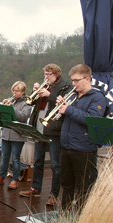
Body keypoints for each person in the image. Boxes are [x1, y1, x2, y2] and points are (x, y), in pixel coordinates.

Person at [19, 64, 73, 206]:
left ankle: (54, 194)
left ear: (56, 74)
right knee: (37, 161)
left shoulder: (64, 87)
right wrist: (35, 92)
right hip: (39, 127)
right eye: (45, 74)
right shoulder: (45, 86)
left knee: (56, 164)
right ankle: (35, 188)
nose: (46, 77)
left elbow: (63, 103)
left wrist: (50, 95)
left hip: (54, 129)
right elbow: (32, 103)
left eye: (49, 74)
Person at [58, 64, 106, 211]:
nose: (74, 84)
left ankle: (81, 217)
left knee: (83, 186)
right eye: (72, 80)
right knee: (66, 185)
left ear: (87, 79)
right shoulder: (73, 95)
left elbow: (92, 119)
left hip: (84, 149)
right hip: (66, 146)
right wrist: (61, 108)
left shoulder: (98, 98)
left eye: (77, 80)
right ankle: (64, 215)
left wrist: (69, 109)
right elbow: (65, 119)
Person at [0, 81, 31, 190]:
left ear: (22, 92)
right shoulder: (10, 100)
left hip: (17, 135)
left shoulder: (26, 103)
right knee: (4, 157)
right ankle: (1, 177)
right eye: (13, 90)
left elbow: (23, 117)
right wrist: (3, 108)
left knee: (16, 158)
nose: (14, 92)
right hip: (6, 133)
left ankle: (15, 179)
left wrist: (12, 107)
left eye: (17, 91)